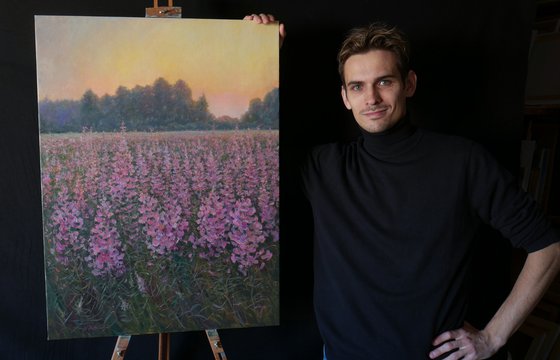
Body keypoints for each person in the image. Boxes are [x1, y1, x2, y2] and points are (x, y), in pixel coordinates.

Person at [246, 15, 560, 360]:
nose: (372, 98)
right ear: (345, 97)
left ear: (408, 83)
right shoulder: (323, 167)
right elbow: (243, 152)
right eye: (357, 86)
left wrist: (492, 337)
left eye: (384, 82)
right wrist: (256, 57)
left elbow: (548, 247)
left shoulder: (462, 161)